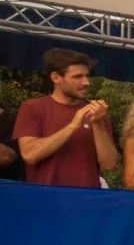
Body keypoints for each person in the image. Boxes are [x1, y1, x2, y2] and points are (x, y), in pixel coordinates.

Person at [12, 48, 118, 188]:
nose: (86, 82)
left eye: (87, 76)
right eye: (77, 77)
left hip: (86, 200)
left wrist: (97, 124)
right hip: (44, 199)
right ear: (56, 78)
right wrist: (72, 126)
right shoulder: (33, 108)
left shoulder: (96, 113)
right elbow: (30, 155)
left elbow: (109, 164)